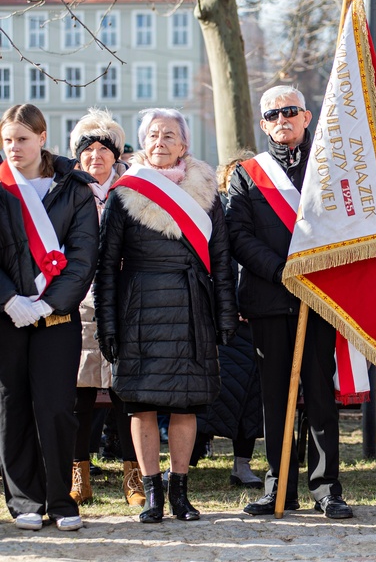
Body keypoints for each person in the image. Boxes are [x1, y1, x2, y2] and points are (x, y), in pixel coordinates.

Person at [94, 108, 238, 523]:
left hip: (192, 307)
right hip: (138, 309)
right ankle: (152, 494)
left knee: (184, 404)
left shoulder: (207, 191)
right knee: (139, 405)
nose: (160, 142)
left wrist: (225, 314)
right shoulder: (126, 192)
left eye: (170, 135)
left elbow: (222, 259)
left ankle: (180, 493)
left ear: (185, 145)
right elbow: (107, 265)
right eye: (153, 135)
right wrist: (107, 323)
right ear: (143, 142)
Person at [227, 85, 352, 519]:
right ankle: (278, 486)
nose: (282, 119)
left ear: (306, 117)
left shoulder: (329, 169)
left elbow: (346, 227)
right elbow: (238, 235)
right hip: (268, 296)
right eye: (273, 114)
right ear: (263, 124)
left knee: (319, 395)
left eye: (290, 111)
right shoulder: (246, 174)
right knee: (276, 398)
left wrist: (311, 271)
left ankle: (326, 487)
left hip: (319, 297)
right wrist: (283, 271)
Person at [0, 104, 99, 531]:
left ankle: (61, 499)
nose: (13, 148)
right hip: (6, 318)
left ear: (42, 138)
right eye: (6, 140)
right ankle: (24, 500)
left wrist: (48, 303)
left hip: (56, 317)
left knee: (57, 406)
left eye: (22, 139)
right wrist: (8, 299)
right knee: (12, 406)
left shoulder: (74, 187)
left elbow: (83, 256)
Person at [67, 108, 145, 508]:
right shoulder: (66, 190)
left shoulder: (133, 190)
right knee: (79, 392)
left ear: (117, 154)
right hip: (78, 302)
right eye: (87, 148)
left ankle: (134, 474)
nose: (95, 155)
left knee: (124, 391)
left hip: (124, 301)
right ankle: (78, 471)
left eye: (104, 148)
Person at [193, 154, 264, 489]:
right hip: (218, 320)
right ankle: (185, 463)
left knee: (249, 397)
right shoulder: (210, 213)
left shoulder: (261, 215)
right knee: (206, 395)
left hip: (251, 318)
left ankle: (242, 463)